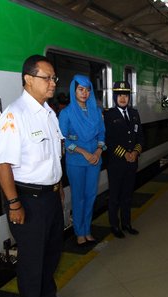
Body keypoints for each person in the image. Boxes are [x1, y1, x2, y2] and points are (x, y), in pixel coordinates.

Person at [0, 55, 69, 297]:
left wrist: (58, 186)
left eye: (54, 79)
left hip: (50, 195)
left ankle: (46, 296)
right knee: (32, 256)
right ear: (28, 79)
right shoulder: (15, 115)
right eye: (46, 78)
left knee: (52, 249)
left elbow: (52, 156)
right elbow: (2, 163)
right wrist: (14, 203)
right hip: (27, 198)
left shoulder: (48, 112)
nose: (52, 84)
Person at [59, 74, 106, 245]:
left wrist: (99, 151)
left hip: (95, 160)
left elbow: (102, 133)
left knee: (91, 196)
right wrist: (84, 152)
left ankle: (87, 229)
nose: (84, 93)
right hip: (76, 161)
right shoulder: (66, 113)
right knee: (78, 197)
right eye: (81, 89)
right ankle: (79, 231)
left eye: (87, 90)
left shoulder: (96, 111)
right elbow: (63, 139)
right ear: (74, 90)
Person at [104, 81, 144, 238]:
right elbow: (109, 140)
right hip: (116, 163)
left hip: (132, 162)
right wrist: (124, 154)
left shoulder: (134, 114)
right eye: (120, 95)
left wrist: (135, 152)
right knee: (114, 196)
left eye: (125, 95)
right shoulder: (109, 115)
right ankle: (114, 225)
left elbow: (140, 136)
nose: (122, 98)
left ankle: (126, 223)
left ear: (129, 97)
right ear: (115, 97)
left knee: (127, 195)